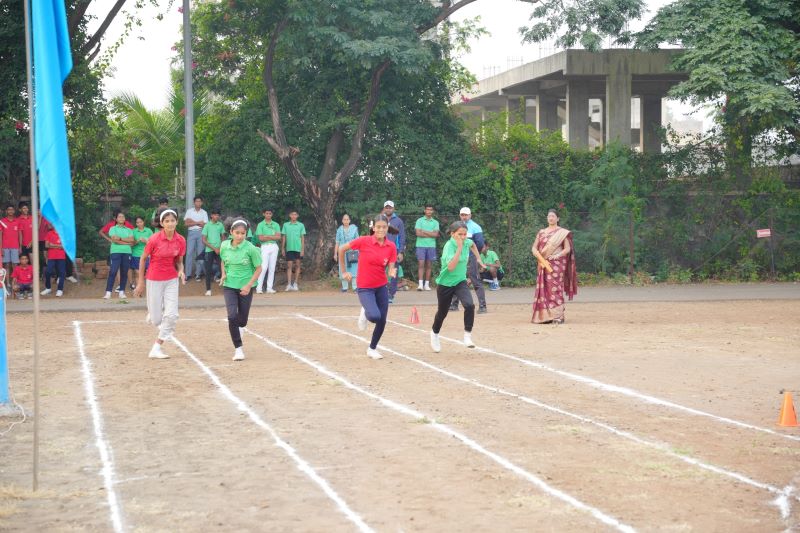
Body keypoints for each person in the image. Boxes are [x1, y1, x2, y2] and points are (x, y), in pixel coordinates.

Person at [337, 214, 397, 360]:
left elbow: (391, 266)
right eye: (378, 227)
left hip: (381, 286)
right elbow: (342, 249)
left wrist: (391, 271)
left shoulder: (391, 246)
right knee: (375, 316)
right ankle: (365, 310)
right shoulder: (364, 241)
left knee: (382, 320)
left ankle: (372, 348)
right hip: (365, 287)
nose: (381, 230)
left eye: (384, 227)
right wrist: (344, 272)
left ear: (387, 228)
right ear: (373, 228)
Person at [133, 208, 186, 359]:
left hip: (171, 279)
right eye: (167, 221)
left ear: (177, 222)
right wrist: (140, 282)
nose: (170, 224)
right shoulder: (155, 239)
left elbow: (179, 262)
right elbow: (143, 259)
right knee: (157, 319)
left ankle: (156, 348)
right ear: (162, 223)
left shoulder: (181, 240)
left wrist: (181, 271)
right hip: (154, 279)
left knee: (172, 315)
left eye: (173, 221)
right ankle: (153, 313)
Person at [430, 221, 485, 353]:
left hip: (460, 281)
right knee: (442, 313)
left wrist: (478, 259)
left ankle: (467, 336)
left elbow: (473, 245)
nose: (463, 237)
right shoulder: (449, 246)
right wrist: (459, 248)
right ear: (452, 234)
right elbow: (451, 267)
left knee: (470, 305)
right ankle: (434, 333)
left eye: (465, 234)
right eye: (460, 234)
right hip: (445, 284)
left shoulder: (466, 241)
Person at [219, 219, 262, 361]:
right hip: (229, 286)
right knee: (232, 316)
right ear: (231, 232)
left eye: (242, 233)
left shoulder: (251, 248)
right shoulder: (224, 246)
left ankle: (240, 327)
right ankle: (238, 349)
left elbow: (258, 268)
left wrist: (249, 285)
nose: (239, 236)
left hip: (246, 287)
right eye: (237, 233)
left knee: (242, 321)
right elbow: (223, 261)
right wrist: (224, 274)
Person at [531, 208, 577, 324]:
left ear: (557, 218)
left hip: (557, 265)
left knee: (555, 288)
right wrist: (537, 254)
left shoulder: (562, 233)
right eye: (549, 216)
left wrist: (557, 255)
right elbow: (534, 247)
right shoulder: (541, 232)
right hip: (543, 263)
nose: (550, 218)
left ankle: (558, 316)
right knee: (545, 289)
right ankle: (546, 316)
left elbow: (567, 249)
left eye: (553, 216)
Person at [450, 207, 487, 314]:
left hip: (471, 256)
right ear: (459, 215)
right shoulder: (456, 226)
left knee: (475, 280)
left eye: (466, 215)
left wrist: (475, 256)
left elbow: (479, 244)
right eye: (462, 214)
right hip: (459, 256)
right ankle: (454, 304)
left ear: (470, 215)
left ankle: (482, 306)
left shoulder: (476, 227)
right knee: (457, 279)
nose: (464, 216)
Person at [101, 211, 134, 299]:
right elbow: (114, 240)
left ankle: (122, 292)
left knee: (124, 272)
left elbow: (131, 240)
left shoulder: (129, 230)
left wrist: (120, 239)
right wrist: (126, 243)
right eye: (119, 217)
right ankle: (108, 292)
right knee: (113, 271)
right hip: (115, 251)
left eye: (123, 217)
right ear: (116, 219)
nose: (121, 218)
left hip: (127, 252)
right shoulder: (112, 228)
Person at [382, 201, 405, 303]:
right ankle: (381, 293)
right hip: (380, 250)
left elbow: (402, 237)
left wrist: (400, 252)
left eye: (390, 207)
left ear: (393, 209)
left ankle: (391, 295)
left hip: (393, 251)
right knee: (380, 272)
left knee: (393, 273)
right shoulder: (379, 219)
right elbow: (372, 234)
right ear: (384, 209)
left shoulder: (398, 221)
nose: (388, 209)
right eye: (386, 207)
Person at [254, 207, 281, 294]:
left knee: (272, 268)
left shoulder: (276, 224)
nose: (268, 215)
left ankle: (269, 288)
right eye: (267, 213)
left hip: (274, 246)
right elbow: (261, 238)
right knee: (264, 267)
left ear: (272, 214)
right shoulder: (260, 224)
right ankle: (259, 288)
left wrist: (267, 236)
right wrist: (272, 237)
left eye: (270, 213)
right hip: (265, 246)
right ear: (264, 214)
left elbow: (278, 237)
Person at [414, 204, 439, 291]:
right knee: (421, 264)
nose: (429, 211)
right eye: (427, 209)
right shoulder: (419, 220)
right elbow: (418, 233)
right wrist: (430, 233)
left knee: (429, 265)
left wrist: (424, 231)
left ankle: (426, 285)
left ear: (432, 211)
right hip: (420, 245)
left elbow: (435, 235)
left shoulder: (435, 222)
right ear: (424, 211)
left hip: (431, 246)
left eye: (430, 210)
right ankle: (420, 285)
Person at [202, 208, 226, 296]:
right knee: (208, 270)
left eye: (218, 215)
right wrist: (214, 248)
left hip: (219, 250)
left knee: (223, 269)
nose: (216, 216)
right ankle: (208, 290)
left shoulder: (220, 225)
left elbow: (223, 237)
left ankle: (226, 289)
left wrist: (219, 248)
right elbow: (204, 240)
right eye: (215, 215)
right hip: (209, 250)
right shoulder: (207, 225)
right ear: (211, 215)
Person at [184, 195, 208, 281]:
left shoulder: (204, 212)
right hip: (191, 233)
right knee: (189, 253)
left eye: (199, 201)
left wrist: (192, 222)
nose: (198, 203)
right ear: (194, 202)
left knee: (199, 253)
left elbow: (205, 225)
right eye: (196, 201)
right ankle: (187, 274)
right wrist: (198, 222)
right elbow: (186, 224)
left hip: (201, 233)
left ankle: (198, 274)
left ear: (202, 203)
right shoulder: (189, 211)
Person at [281, 209, 305, 291]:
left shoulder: (301, 225)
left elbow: (302, 238)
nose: (294, 216)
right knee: (289, 266)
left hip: (298, 248)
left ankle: (295, 283)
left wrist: (302, 250)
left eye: (295, 214)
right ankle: (289, 284)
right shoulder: (286, 225)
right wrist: (283, 248)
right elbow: (284, 237)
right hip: (289, 248)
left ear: (297, 216)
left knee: (298, 265)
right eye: (292, 214)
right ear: (290, 215)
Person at [334, 213, 359, 292]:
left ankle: (355, 287)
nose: (346, 221)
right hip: (342, 253)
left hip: (353, 252)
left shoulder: (354, 229)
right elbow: (337, 242)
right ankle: (345, 287)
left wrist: (359, 251)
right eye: (344, 219)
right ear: (342, 221)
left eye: (347, 219)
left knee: (354, 269)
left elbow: (358, 240)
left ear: (349, 220)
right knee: (343, 268)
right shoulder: (339, 230)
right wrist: (335, 253)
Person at [41, 227, 66, 297]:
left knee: (62, 273)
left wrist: (52, 245)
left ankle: (60, 289)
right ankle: (48, 288)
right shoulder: (49, 233)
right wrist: (59, 246)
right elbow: (46, 245)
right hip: (51, 257)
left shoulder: (63, 234)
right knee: (48, 271)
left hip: (61, 256)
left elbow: (64, 246)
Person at [130, 215, 153, 291]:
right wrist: (137, 241)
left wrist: (146, 241)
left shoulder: (149, 231)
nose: (139, 224)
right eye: (137, 222)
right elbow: (131, 244)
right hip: (136, 254)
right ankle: (138, 290)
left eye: (141, 222)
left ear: (144, 222)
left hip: (147, 255)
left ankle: (149, 289)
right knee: (137, 273)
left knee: (148, 273)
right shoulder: (133, 231)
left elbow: (153, 243)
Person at [0, 204, 21, 276]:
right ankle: (8, 283)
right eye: (9, 210)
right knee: (7, 265)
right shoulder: (2, 221)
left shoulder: (17, 221)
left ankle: (14, 283)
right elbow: (0, 235)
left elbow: (20, 235)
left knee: (15, 265)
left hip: (15, 246)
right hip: (5, 247)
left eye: (12, 210)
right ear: (6, 211)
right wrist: (1, 248)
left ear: (14, 211)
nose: (10, 211)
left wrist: (20, 247)